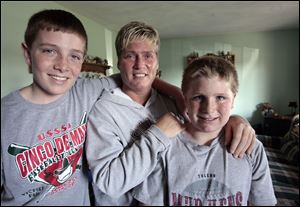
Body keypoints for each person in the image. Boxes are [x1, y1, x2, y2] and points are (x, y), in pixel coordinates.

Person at [0, 9, 183, 206]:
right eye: (49, 51)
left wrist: (182, 97)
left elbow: (138, 79)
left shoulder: (85, 91)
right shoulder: (6, 117)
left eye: (74, 56)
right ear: (27, 54)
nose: (62, 65)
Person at [85, 21, 257, 206]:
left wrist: (235, 120)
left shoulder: (172, 102)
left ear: (157, 61)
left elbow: (206, 121)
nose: (140, 64)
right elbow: (109, 183)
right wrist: (158, 133)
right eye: (130, 56)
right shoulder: (103, 111)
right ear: (119, 62)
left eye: (147, 56)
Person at [133, 56, 277, 206]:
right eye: (199, 97)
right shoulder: (163, 147)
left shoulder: (251, 148)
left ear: (233, 99)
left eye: (220, 97)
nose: (209, 109)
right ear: (185, 99)